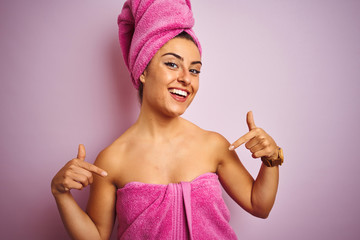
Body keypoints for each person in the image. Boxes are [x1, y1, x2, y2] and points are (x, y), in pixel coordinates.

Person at [51, 0, 283, 239]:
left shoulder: (213, 145)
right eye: (172, 64)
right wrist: (61, 194)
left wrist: (271, 159)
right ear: (143, 70)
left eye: (194, 70)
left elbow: (260, 206)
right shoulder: (112, 159)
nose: (186, 78)